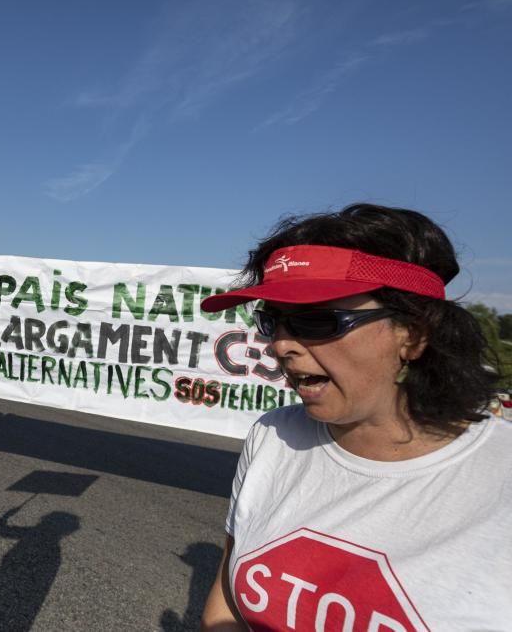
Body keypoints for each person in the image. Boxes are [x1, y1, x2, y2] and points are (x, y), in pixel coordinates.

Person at [198, 204, 512, 630]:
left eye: (319, 320)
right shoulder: (273, 436)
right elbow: (227, 602)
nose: (282, 345)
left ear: (415, 334)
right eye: (274, 322)